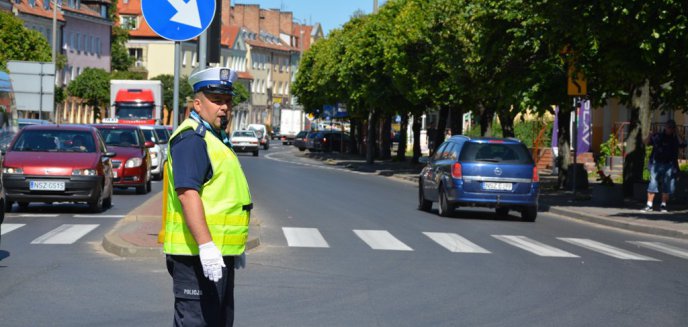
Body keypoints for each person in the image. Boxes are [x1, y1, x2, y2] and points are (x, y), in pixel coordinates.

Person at [163, 67, 252, 326]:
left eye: (227, 101)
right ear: (198, 104)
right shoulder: (192, 138)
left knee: (218, 321)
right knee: (197, 322)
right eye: (216, 101)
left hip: (217, 253)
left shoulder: (215, 138)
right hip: (196, 256)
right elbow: (188, 195)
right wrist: (206, 246)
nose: (223, 107)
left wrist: (229, 248)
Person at [643, 119, 686, 212]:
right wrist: (649, 135)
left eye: (672, 127)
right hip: (656, 163)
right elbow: (646, 143)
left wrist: (677, 133)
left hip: (669, 164)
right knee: (653, 183)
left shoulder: (675, 138)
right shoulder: (658, 136)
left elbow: (683, 144)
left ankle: (663, 205)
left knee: (667, 184)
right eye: (668, 127)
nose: (670, 129)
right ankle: (649, 204)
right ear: (665, 127)